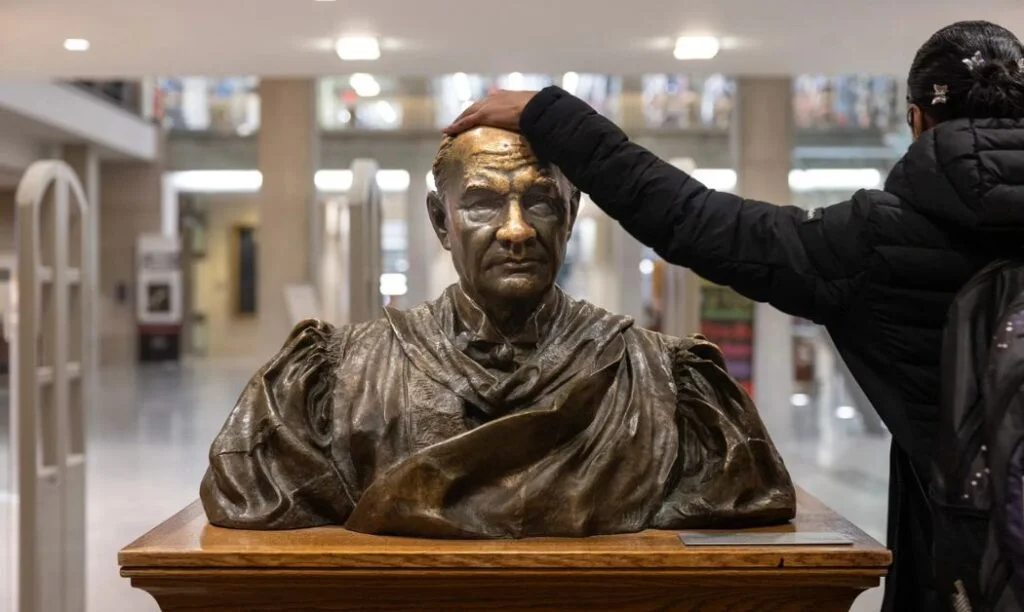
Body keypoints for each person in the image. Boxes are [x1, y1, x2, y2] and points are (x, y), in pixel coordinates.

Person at [444, 20, 1024, 612]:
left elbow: (696, 221)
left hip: (971, 571)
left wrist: (553, 116)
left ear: (916, 119)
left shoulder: (879, 242)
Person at [200, 126, 796, 538]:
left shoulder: (663, 379)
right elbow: (246, 499)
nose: (516, 231)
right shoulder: (338, 375)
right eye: (483, 203)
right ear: (441, 220)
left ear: (571, 214)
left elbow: (745, 497)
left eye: (539, 201)